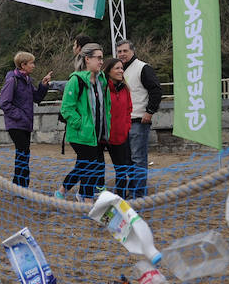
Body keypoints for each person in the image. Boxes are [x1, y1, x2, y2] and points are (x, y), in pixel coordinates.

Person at [56, 43, 110, 201]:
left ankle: (63, 191)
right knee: (90, 166)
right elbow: (66, 108)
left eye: (102, 58)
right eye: (98, 58)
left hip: (97, 133)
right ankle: (85, 198)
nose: (101, 61)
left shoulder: (101, 79)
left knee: (85, 165)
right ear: (87, 59)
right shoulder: (76, 80)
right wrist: (81, 124)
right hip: (81, 134)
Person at [115, 39, 162, 197]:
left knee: (138, 159)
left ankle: (139, 194)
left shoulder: (143, 67)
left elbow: (156, 90)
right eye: (119, 51)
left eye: (125, 51)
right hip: (122, 122)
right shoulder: (118, 70)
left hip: (138, 120)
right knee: (126, 159)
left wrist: (149, 111)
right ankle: (133, 189)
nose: (122, 54)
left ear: (132, 51)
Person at [0, 52, 52, 188]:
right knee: (23, 154)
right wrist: (20, 115)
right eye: (31, 63)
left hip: (25, 123)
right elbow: (4, 103)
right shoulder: (12, 80)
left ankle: (19, 186)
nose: (34, 65)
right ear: (23, 65)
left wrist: (43, 85)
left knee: (23, 155)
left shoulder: (28, 81)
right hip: (16, 124)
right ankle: (22, 187)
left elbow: (37, 97)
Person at [104, 58, 133, 199]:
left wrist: (126, 126)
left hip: (121, 136)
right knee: (95, 167)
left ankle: (121, 197)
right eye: (117, 68)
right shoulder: (101, 87)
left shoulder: (125, 88)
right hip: (103, 136)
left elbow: (129, 109)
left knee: (121, 170)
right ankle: (89, 195)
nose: (121, 71)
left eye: (122, 68)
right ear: (108, 71)